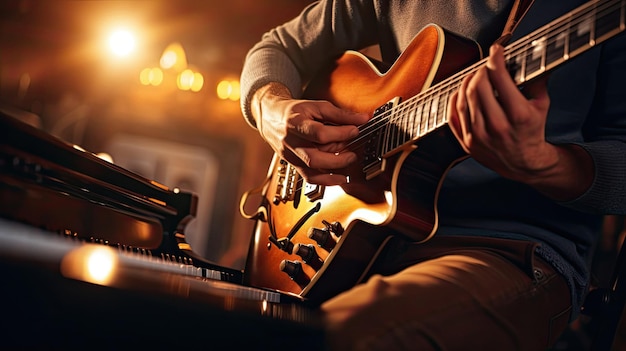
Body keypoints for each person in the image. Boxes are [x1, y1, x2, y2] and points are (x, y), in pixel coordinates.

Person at [239, 1, 626, 350]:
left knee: (342, 336)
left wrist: (546, 163)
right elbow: (277, 46)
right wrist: (269, 107)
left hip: (508, 251)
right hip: (366, 237)